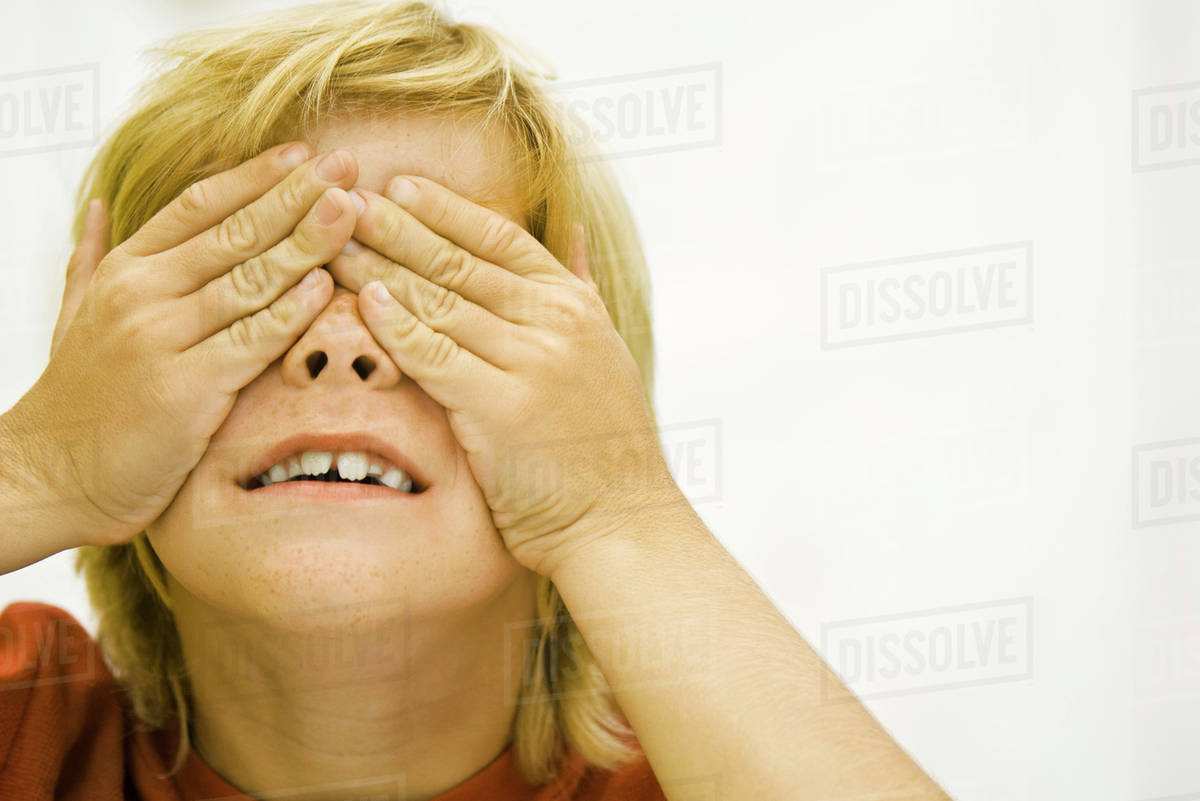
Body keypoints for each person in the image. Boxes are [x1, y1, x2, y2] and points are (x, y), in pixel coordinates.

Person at [0, 2, 951, 799]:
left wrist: (614, 510)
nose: (339, 346)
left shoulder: (718, 761)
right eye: (250, 284)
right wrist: (41, 467)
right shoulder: (28, 718)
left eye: (436, 294)